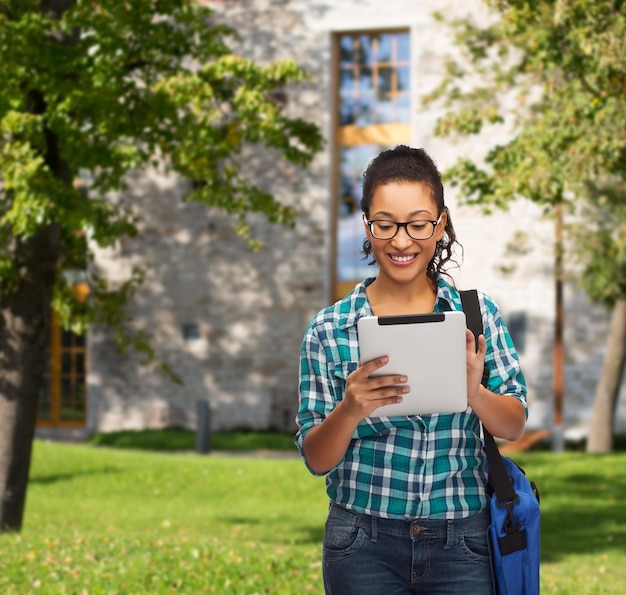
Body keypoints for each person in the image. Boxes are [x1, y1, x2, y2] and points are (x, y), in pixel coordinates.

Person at [295, 145, 527, 594]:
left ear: (440, 224)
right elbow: (316, 459)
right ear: (367, 226)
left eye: (419, 224)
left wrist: (474, 392)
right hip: (361, 542)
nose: (402, 241)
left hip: (462, 542)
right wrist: (349, 410)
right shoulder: (328, 330)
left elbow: (514, 424)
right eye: (386, 225)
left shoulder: (478, 317)